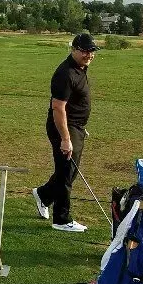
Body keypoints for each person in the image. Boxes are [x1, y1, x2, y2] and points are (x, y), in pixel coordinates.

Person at [31, 32, 98, 232]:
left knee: (67, 172)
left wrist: (79, 128)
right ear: (74, 50)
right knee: (67, 173)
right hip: (64, 128)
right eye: (85, 51)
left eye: (92, 51)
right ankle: (61, 219)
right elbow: (58, 108)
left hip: (75, 127)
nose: (89, 55)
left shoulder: (80, 68)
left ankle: (43, 195)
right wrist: (66, 139)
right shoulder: (66, 73)